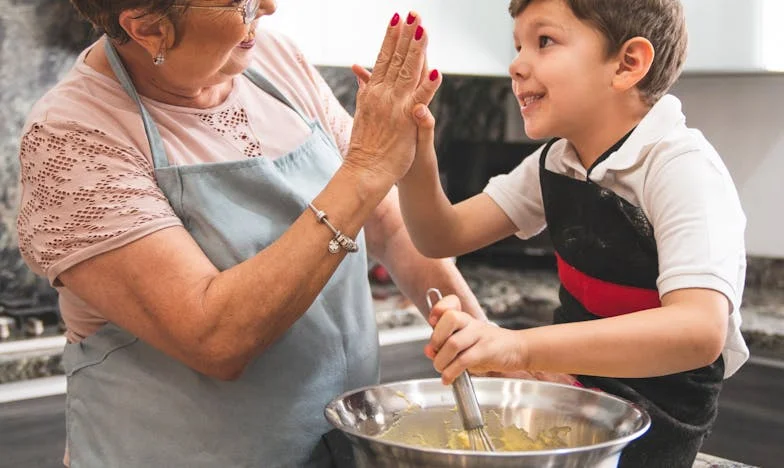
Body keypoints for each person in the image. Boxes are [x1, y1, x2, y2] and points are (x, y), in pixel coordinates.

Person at [16, 2, 487, 466]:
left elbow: (386, 220)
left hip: (341, 450)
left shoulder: (274, 60)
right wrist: (363, 170)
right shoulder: (71, 137)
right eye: (237, 2)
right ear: (148, 28)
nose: (268, 6)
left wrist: (483, 342)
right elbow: (215, 338)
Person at [398, 0, 749, 466]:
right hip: (580, 396)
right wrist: (412, 150)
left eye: (544, 41)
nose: (516, 64)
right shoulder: (556, 161)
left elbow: (699, 330)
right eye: (518, 44)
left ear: (627, 64)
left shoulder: (680, 167)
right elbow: (440, 235)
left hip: (660, 420)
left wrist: (517, 346)